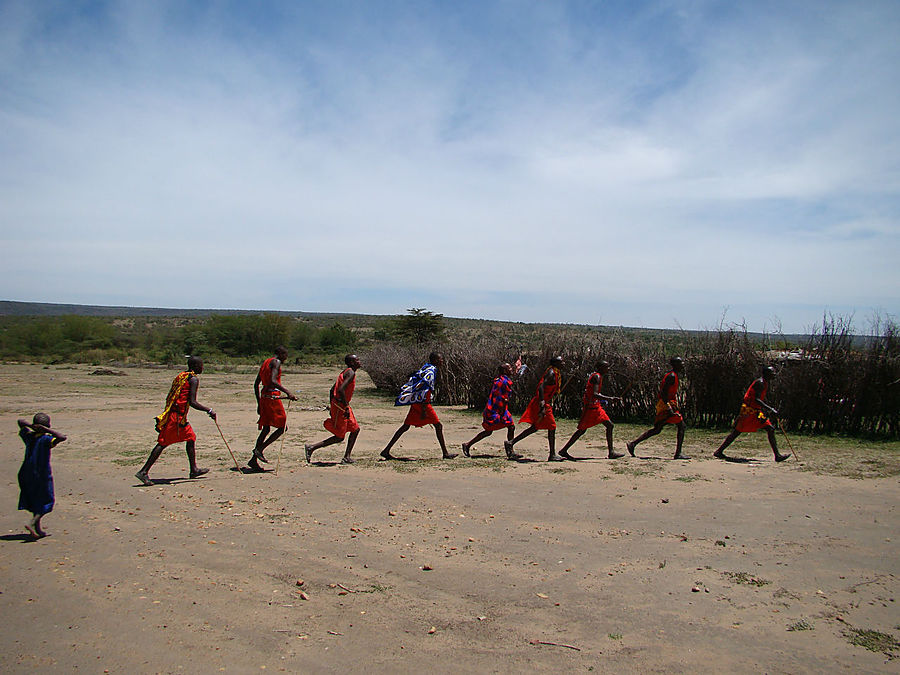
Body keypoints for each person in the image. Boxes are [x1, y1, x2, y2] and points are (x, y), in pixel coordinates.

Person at [135, 356, 215, 486]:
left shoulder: (181, 376)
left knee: (191, 438)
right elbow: (193, 402)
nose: (202, 367)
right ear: (195, 366)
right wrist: (209, 410)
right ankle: (143, 472)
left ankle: (194, 469)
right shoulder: (193, 379)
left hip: (178, 415)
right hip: (176, 418)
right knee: (163, 443)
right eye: (201, 365)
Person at [380, 352, 456, 460]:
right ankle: (445, 453)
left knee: (405, 426)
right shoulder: (431, 371)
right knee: (438, 426)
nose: (442, 361)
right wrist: (424, 408)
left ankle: (386, 450)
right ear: (434, 360)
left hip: (418, 402)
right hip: (423, 403)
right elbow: (425, 389)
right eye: (440, 359)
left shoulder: (426, 368)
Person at [714, 366, 791, 462]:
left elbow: (759, 399)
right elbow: (756, 399)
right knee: (737, 431)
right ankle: (719, 451)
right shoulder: (760, 383)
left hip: (756, 411)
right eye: (772, 372)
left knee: (770, 428)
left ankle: (777, 455)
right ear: (766, 374)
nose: (774, 374)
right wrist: (770, 409)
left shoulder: (764, 383)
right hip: (749, 411)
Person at [558, 360, 625, 460]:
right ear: (600, 368)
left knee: (609, 425)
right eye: (606, 367)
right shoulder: (597, 377)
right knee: (581, 430)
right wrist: (610, 399)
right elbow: (595, 394)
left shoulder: (597, 376)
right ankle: (564, 450)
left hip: (595, 406)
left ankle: (611, 452)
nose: (608, 369)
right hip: (591, 407)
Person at [626, 357, 689, 459]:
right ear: (675, 364)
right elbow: (663, 392)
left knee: (658, 429)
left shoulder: (672, 375)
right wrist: (669, 407)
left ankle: (633, 444)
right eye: (681, 362)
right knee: (681, 426)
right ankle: (678, 453)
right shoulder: (672, 376)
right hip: (666, 404)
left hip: (666, 403)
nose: (683, 364)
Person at [505, 356, 565, 461]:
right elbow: (541, 386)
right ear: (555, 363)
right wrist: (542, 404)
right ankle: (552, 454)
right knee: (552, 427)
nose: (563, 363)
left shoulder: (555, 373)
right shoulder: (551, 373)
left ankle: (511, 443)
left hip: (544, 402)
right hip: (542, 403)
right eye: (561, 362)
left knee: (535, 427)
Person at [247, 346, 298, 472]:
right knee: (282, 427)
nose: (286, 357)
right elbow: (273, 381)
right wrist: (288, 393)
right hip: (272, 397)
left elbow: (256, 384)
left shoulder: (266, 362)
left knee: (266, 429)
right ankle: (260, 449)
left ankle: (253, 460)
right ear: (280, 353)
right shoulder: (276, 362)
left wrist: (259, 403)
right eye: (285, 354)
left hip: (264, 396)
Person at [305, 354, 362, 464]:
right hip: (341, 406)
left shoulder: (345, 372)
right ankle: (311, 448)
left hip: (340, 405)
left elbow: (332, 390)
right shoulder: (350, 373)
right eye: (357, 360)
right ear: (351, 363)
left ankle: (347, 457)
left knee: (355, 429)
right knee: (340, 436)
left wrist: (333, 404)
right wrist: (344, 406)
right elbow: (340, 390)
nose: (359, 362)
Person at [17, 413, 66, 538]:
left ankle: (37, 528)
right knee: (47, 499)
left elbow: (20, 422)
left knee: (35, 499)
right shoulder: (45, 440)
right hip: (41, 473)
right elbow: (62, 437)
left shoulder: (29, 437)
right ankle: (32, 522)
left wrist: (31, 426)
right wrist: (45, 430)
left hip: (25, 473)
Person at [462, 362, 518, 459]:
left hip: (498, 409)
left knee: (509, 427)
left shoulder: (502, 380)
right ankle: (510, 450)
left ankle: (510, 450)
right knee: (491, 430)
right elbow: (498, 397)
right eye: (509, 368)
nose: (511, 369)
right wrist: (502, 407)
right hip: (496, 410)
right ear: (505, 371)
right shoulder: (502, 382)